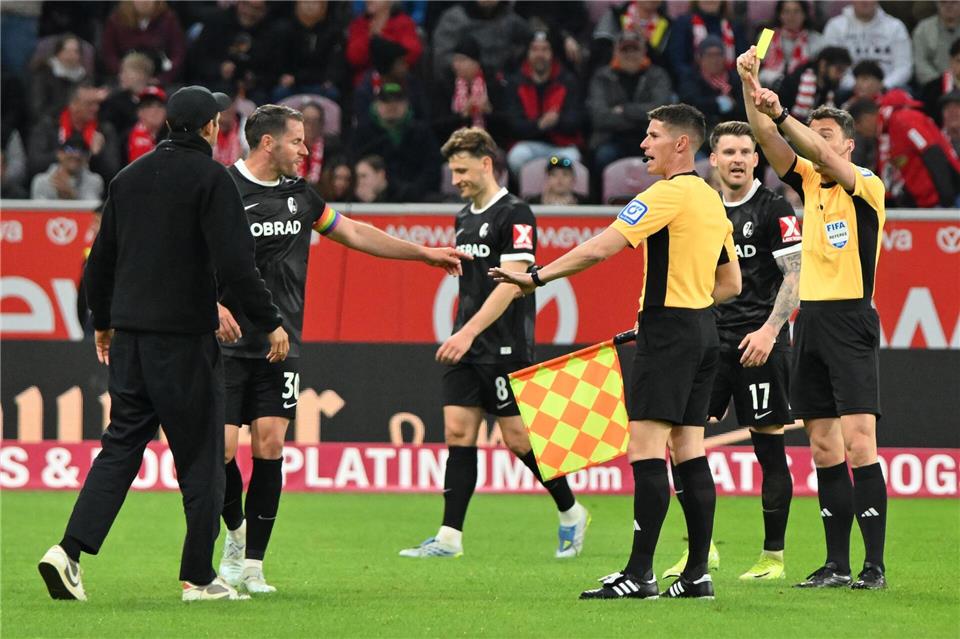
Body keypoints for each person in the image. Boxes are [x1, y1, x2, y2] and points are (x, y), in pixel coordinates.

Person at [37, 85, 290, 602]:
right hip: (184, 343)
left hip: (130, 341)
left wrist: (103, 322)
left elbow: (100, 261)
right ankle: (199, 576)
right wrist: (270, 322)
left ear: (169, 125)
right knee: (202, 459)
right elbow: (237, 264)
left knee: (120, 448)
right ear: (209, 128)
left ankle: (68, 552)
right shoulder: (212, 179)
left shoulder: (127, 178)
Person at [214, 104, 469, 593]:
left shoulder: (300, 196)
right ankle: (235, 533)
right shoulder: (223, 189)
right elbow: (189, 253)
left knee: (270, 444)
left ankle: (254, 566)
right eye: (296, 141)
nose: (305, 150)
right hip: (227, 342)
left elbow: (352, 231)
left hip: (280, 342)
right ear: (267, 143)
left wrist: (423, 254)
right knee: (221, 450)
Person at [490, 106, 741, 600]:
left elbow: (600, 248)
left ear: (681, 144)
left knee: (646, 450)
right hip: (703, 332)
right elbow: (731, 282)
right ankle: (696, 575)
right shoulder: (712, 200)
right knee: (689, 451)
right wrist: (687, 307)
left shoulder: (665, 194)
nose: (644, 144)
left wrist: (535, 278)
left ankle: (640, 574)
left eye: (653, 135)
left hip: (668, 333)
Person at [399, 127, 591, 561]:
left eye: (463, 170)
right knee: (457, 432)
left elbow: (512, 284)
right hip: (467, 343)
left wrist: (467, 332)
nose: (456, 180)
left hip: (505, 344)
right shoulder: (463, 217)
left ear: (486, 164)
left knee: (518, 439)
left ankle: (571, 510)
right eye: (453, 171)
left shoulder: (516, 214)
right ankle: (449, 537)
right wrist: (464, 332)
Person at [738, 45, 888, 590]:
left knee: (859, 443)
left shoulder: (864, 184)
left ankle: (873, 567)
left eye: (826, 135)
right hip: (811, 323)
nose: (815, 142)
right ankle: (836, 564)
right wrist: (750, 86)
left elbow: (804, 143)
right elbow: (768, 140)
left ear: (847, 145)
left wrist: (782, 112)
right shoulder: (807, 182)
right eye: (814, 132)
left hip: (850, 318)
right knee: (823, 446)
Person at [662, 121, 801, 583]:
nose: (738, 159)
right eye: (729, 152)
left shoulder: (774, 207)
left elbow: (796, 273)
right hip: (708, 341)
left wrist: (770, 331)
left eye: (745, 151)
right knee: (680, 442)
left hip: (759, 342)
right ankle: (701, 550)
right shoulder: (702, 206)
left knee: (769, 447)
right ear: (713, 160)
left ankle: (772, 557)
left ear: (756, 160)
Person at [587, 31, 673, 173]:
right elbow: (599, 117)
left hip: (650, 138)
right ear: (615, 52)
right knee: (603, 156)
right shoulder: (601, 77)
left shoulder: (658, 75)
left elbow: (662, 112)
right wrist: (641, 117)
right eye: (625, 50)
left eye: (635, 49)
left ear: (644, 51)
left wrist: (624, 110)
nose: (630, 54)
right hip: (612, 138)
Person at [505, 30, 583, 175]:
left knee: (572, 159)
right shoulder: (516, 82)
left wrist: (556, 121)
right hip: (529, 145)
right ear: (528, 53)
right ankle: (528, 189)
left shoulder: (568, 80)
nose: (539, 55)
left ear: (552, 53)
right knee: (516, 157)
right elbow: (513, 124)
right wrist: (539, 125)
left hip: (561, 147)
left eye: (545, 49)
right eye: (535, 49)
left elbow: (576, 120)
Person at [351, 82, 440, 201]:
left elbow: (433, 167)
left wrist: (415, 191)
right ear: (376, 104)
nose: (392, 106)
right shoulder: (363, 133)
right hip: (374, 197)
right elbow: (355, 164)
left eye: (397, 101)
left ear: (406, 104)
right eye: (386, 101)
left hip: (419, 198)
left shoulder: (422, 132)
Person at [821, 1, 911, 92]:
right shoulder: (835, 26)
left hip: (887, 88)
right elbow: (832, 66)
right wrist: (855, 85)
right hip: (848, 89)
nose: (864, 1)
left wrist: (883, 85)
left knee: (905, 91)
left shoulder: (896, 27)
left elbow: (904, 67)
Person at [100, 0, 186, 85]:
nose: (144, 1)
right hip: (124, 80)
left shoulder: (168, 19)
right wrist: (126, 75)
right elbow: (109, 53)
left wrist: (161, 79)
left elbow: (178, 53)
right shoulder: (116, 20)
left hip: (160, 79)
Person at [758, 1, 823, 89]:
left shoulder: (816, 39)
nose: (791, 16)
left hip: (803, 87)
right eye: (786, 12)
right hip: (768, 86)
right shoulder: (765, 36)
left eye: (796, 11)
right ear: (780, 15)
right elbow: (756, 65)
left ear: (804, 15)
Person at [779, 46, 852, 123]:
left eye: (843, 71)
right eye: (838, 69)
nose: (840, 76)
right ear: (823, 64)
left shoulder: (831, 92)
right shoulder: (794, 82)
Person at [30, 133, 104, 200]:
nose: (76, 155)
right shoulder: (41, 181)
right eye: (70, 149)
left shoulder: (94, 181)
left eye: (82, 151)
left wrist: (73, 197)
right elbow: (39, 209)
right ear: (59, 154)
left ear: (87, 158)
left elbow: (93, 207)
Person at [913, 0, 960, 88]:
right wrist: (942, 82)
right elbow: (920, 63)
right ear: (936, 4)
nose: (948, 6)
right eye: (943, 2)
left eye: (954, 2)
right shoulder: (923, 29)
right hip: (933, 85)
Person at [126, 86, 166, 163]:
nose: (155, 110)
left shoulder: (172, 136)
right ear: (139, 112)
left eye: (159, 106)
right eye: (149, 106)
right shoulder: (126, 138)